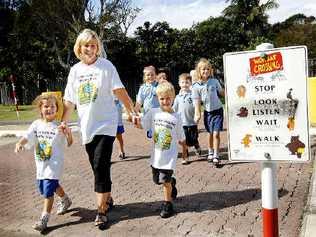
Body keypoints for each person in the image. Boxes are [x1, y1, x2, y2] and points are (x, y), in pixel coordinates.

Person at [61, 28, 135, 228]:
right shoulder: (75, 71)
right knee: (97, 166)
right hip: (87, 126)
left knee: (101, 165)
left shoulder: (106, 66)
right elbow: (69, 100)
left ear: (98, 48)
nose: (90, 49)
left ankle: (101, 211)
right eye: (87, 45)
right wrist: (64, 121)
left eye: (94, 45)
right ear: (79, 48)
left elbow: (119, 89)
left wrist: (131, 110)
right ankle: (108, 198)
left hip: (106, 124)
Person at [14, 94, 73, 232]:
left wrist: (68, 133)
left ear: (57, 109)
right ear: (41, 108)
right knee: (46, 187)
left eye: (52, 106)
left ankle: (44, 219)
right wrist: (19, 143)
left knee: (48, 190)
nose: (49, 109)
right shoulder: (36, 124)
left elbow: (69, 143)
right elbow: (27, 136)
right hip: (41, 164)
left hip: (54, 164)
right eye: (46, 106)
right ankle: (65, 199)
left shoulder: (59, 126)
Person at [133, 82, 185, 218]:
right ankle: (172, 182)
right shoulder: (153, 113)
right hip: (156, 156)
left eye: (168, 98)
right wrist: (136, 122)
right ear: (158, 99)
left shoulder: (177, 117)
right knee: (157, 180)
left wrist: (184, 148)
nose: (165, 101)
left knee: (164, 181)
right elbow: (143, 125)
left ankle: (168, 204)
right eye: (162, 98)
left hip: (169, 158)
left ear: (173, 97)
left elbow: (181, 136)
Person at [192, 58, 225, 164]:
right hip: (207, 113)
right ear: (199, 71)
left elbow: (222, 92)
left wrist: (231, 92)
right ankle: (210, 151)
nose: (205, 71)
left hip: (218, 111)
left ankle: (216, 154)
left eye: (207, 69)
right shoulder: (196, 86)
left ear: (210, 70)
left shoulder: (214, 81)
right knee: (210, 133)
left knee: (216, 134)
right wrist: (197, 114)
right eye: (203, 69)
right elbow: (196, 101)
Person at [173, 73, 202, 165]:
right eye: (183, 82)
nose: (185, 84)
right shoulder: (178, 97)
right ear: (179, 84)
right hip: (182, 123)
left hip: (192, 122)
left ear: (190, 83)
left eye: (187, 82)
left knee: (193, 139)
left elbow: (197, 106)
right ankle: (186, 156)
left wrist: (197, 114)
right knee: (183, 141)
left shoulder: (193, 95)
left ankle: (196, 145)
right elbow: (174, 109)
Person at [134, 65, 160, 138]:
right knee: (151, 135)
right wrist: (135, 111)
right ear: (145, 77)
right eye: (148, 75)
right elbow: (139, 101)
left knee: (158, 133)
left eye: (152, 74)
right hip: (147, 114)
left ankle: (159, 147)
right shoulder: (142, 88)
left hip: (158, 114)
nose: (150, 76)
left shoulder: (159, 86)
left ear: (155, 75)